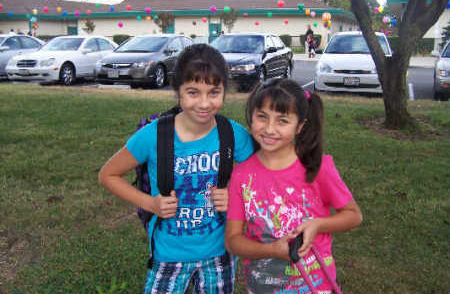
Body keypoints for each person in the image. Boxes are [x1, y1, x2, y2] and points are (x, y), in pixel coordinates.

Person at [98, 43, 254, 294]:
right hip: (168, 254)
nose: (204, 103)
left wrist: (237, 195)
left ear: (224, 91)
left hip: (220, 252)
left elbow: (260, 176)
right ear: (178, 91)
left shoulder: (232, 134)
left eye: (214, 92)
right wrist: (150, 204)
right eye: (193, 92)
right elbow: (108, 175)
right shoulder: (154, 136)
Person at [225, 78, 363, 294]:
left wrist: (317, 225)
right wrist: (271, 249)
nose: (270, 129)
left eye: (282, 121)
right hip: (262, 287)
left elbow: (354, 215)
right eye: (262, 117)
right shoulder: (241, 175)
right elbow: (233, 241)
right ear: (251, 116)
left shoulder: (318, 168)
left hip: (315, 285)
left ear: (300, 126)